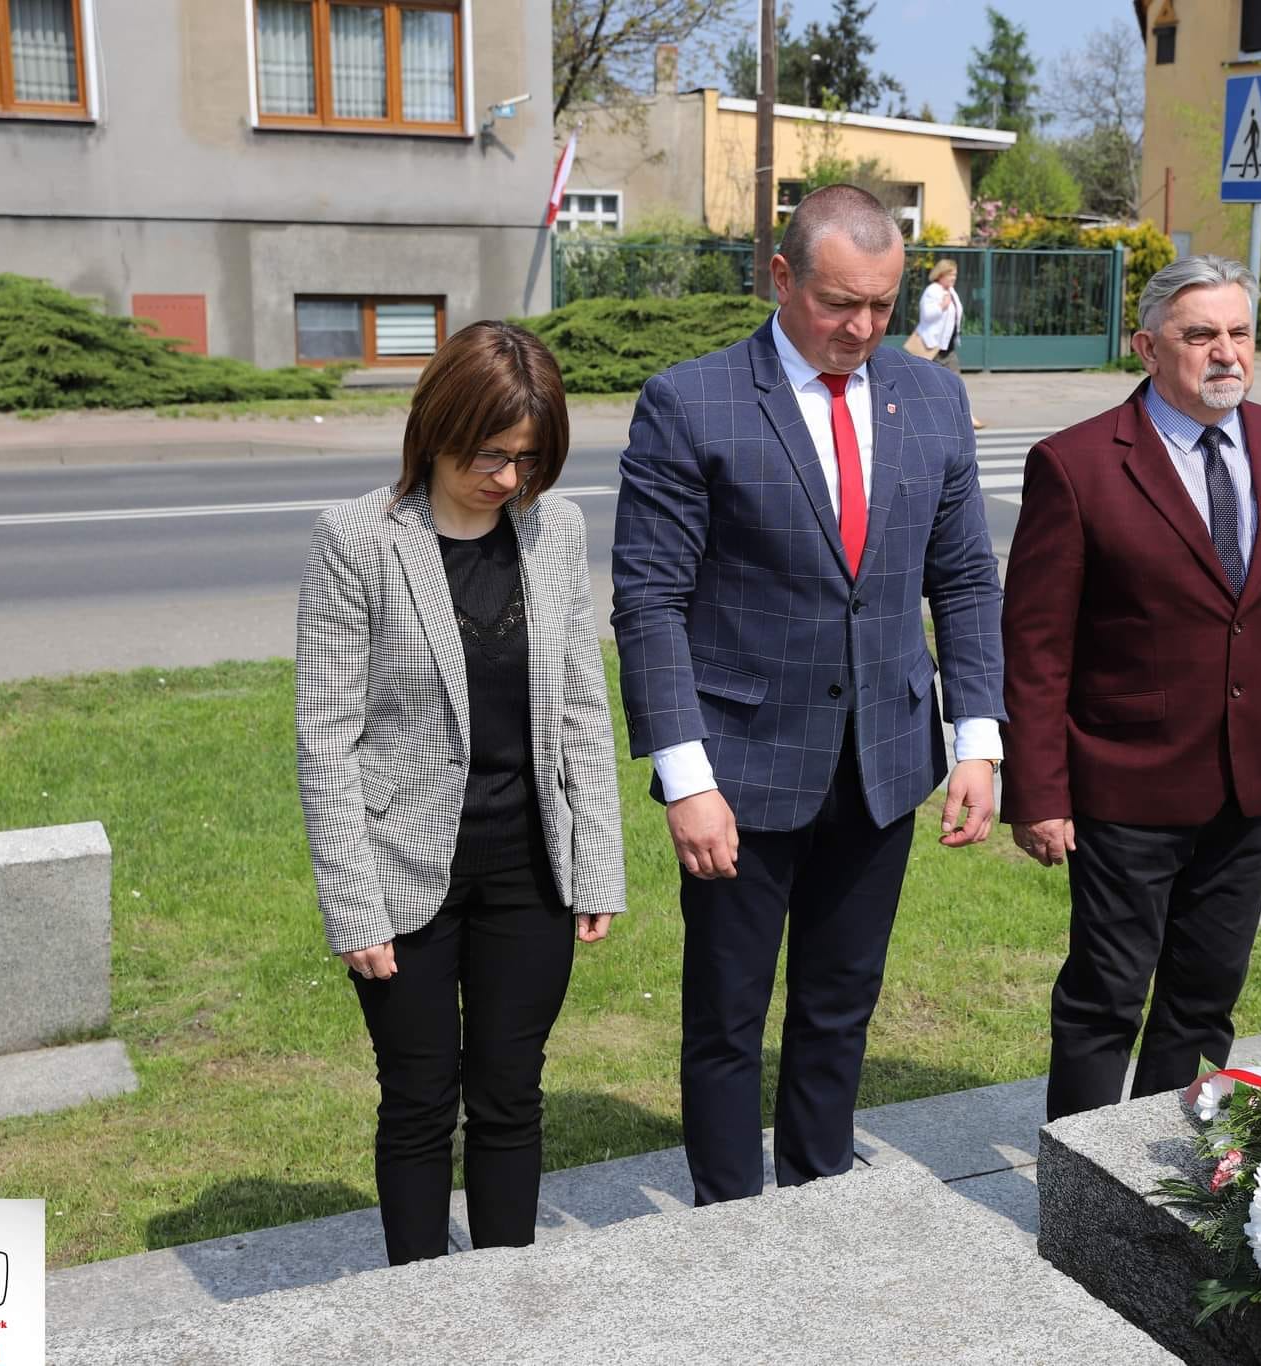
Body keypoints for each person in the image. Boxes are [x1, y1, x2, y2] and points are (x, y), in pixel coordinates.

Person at [611, 184, 1005, 1206]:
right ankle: (730, 1215)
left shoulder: (929, 399)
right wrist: (682, 775)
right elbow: (649, 600)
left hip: (883, 759)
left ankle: (819, 1186)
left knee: (840, 1000)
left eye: (881, 305)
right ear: (780, 276)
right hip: (737, 768)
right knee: (727, 1014)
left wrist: (977, 739)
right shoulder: (689, 402)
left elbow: (961, 579)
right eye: (839, 304)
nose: (862, 329)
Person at [295, 320, 625, 1264]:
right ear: (435, 424)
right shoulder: (357, 540)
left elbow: (578, 711)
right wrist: (352, 905)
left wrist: (595, 864)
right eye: (491, 454)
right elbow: (326, 741)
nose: (508, 480)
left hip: (529, 867)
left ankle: (504, 1308)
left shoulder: (552, 530)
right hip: (403, 875)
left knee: (512, 1094)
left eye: (529, 459)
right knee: (418, 1101)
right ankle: (419, 1310)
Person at [999, 254, 1261, 1122]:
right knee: (1106, 998)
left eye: (1238, 332)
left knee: (1205, 996)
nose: (1225, 352)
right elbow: (1036, 647)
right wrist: (1038, 793)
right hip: (1125, 784)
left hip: (1246, 783)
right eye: (1200, 335)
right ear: (1148, 348)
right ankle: (1081, 1176)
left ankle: (1167, 1163)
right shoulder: (1077, 464)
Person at [911, 258, 986, 431]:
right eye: (951, 274)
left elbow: (957, 313)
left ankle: (966, 416)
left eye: (955, 275)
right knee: (927, 384)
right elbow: (926, 315)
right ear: (941, 274)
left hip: (947, 347)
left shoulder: (951, 291)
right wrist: (941, 306)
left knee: (956, 382)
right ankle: (922, 417)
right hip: (933, 347)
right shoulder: (932, 291)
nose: (954, 278)